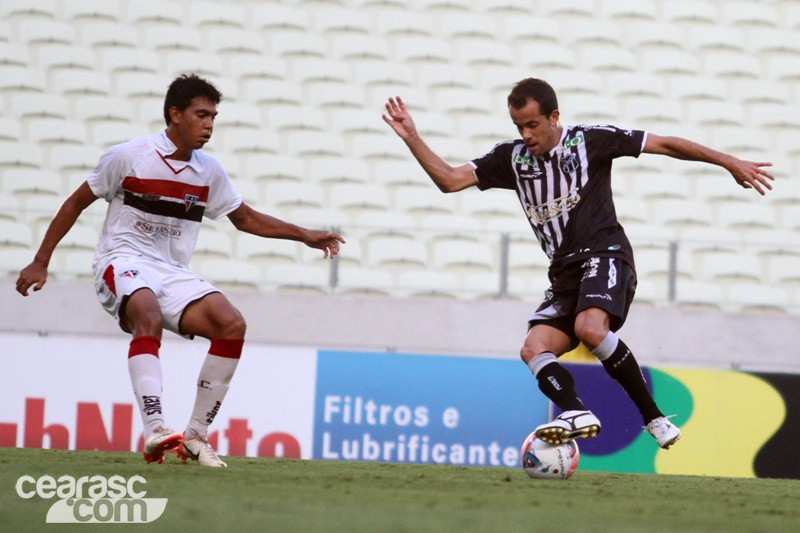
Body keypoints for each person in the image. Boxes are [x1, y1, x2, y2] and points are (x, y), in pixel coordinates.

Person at [382, 78, 774, 449]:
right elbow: (450, 180)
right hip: (564, 271)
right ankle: (574, 411)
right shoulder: (513, 159)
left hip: (605, 253)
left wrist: (728, 161)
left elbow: (665, 144)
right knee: (533, 348)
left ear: (554, 117)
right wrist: (413, 138)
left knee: (589, 327)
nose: (526, 135)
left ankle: (653, 418)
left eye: (533, 125)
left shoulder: (591, 141)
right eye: (519, 126)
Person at [15, 74, 345, 467]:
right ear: (175, 114)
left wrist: (303, 234)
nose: (209, 124)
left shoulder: (208, 171)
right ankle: (156, 428)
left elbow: (245, 219)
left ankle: (195, 436)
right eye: (201, 115)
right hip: (122, 260)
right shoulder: (128, 156)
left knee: (231, 324)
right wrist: (41, 260)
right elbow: (74, 203)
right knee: (148, 316)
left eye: (213, 117)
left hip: (171, 271)